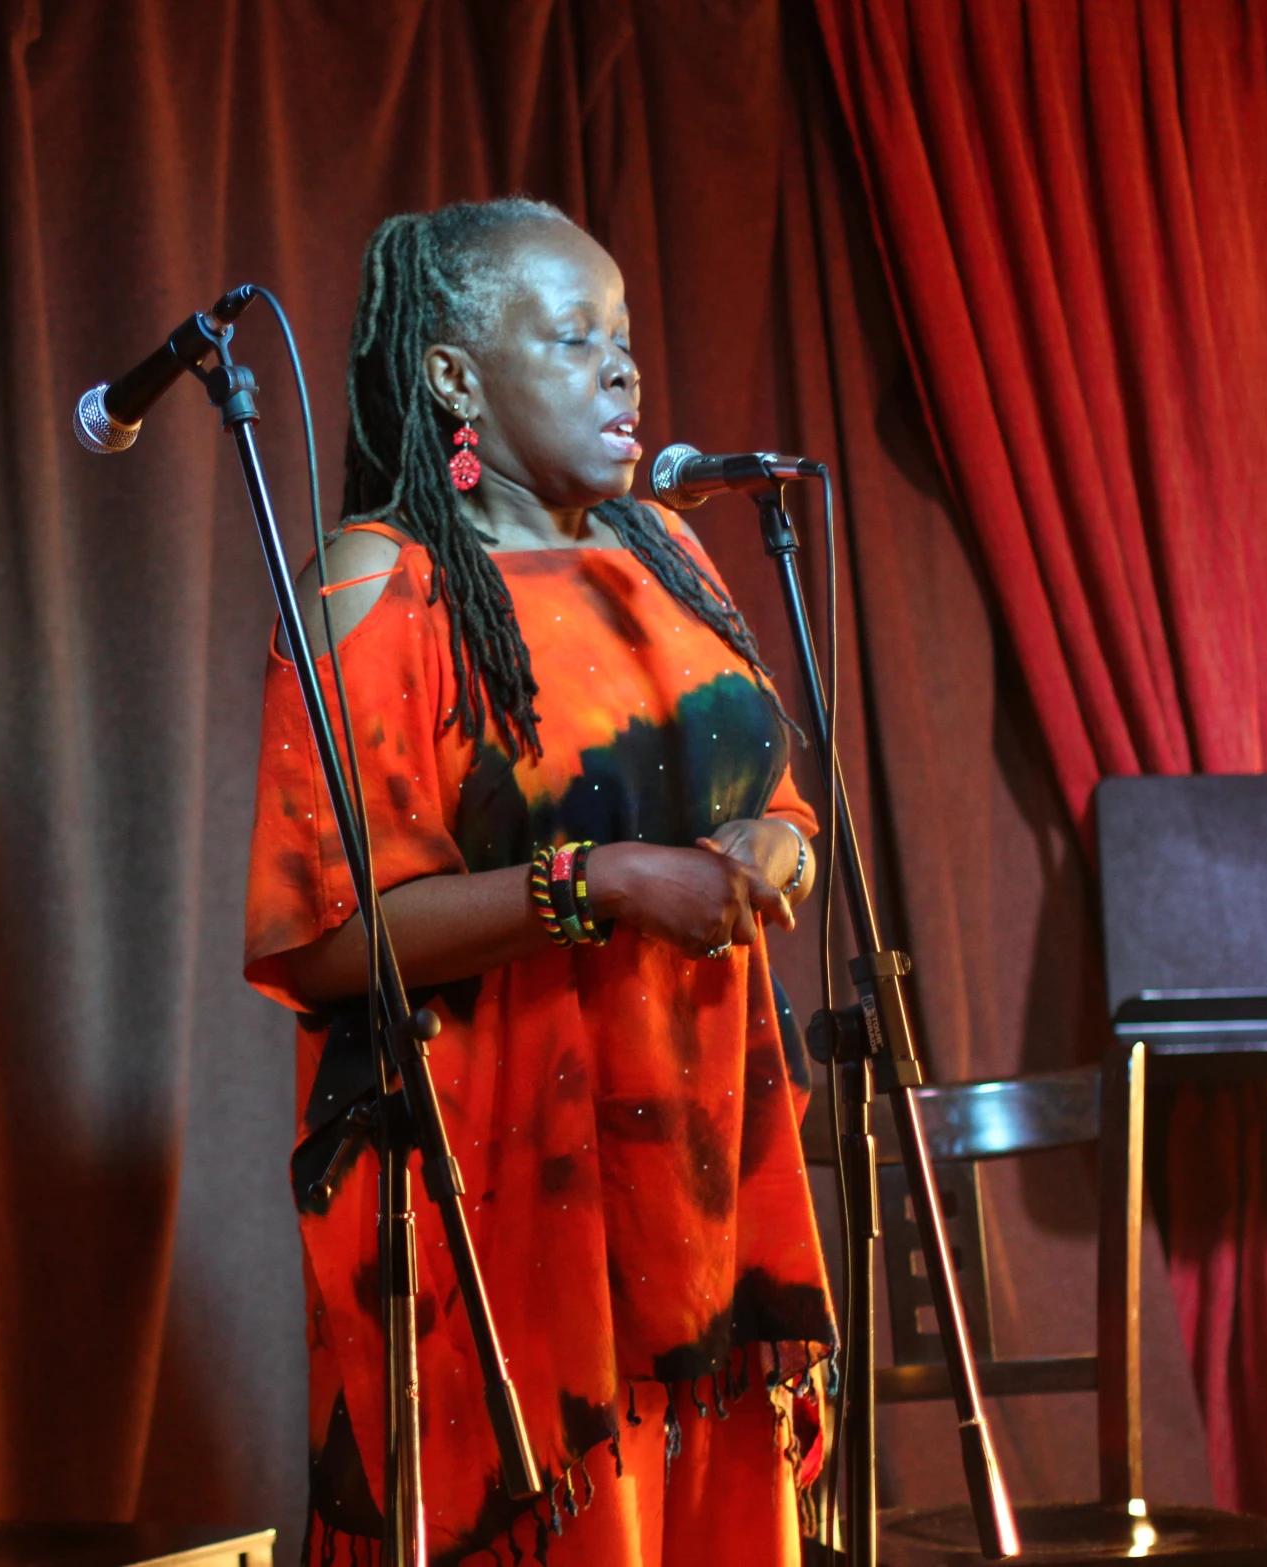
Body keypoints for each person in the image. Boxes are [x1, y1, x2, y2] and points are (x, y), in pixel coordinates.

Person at [243, 200, 836, 1567]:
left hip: (704, 1180)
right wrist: (603, 883)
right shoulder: (375, 585)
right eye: (575, 338)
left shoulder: (667, 554)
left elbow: (780, 799)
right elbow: (324, 937)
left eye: (622, 338)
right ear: (452, 374)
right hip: (504, 1197)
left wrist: (775, 849)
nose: (622, 370)